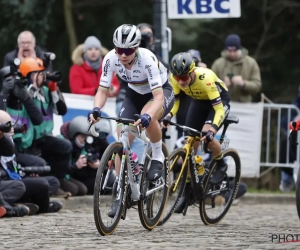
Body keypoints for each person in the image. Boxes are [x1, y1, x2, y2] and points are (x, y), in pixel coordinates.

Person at [89, 24, 175, 217]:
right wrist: (96, 109)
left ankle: (158, 154)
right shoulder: (110, 59)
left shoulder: (147, 60)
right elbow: (102, 91)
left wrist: (147, 115)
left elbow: (159, 98)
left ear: (136, 48)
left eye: (127, 50)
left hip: (160, 92)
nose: (123, 55)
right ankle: (120, 191)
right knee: (122, 138)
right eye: (119, 49)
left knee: (149, 116)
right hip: (135, 92)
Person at [163, 52, 230, 212]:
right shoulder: (175, 79)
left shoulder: (205, 78)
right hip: (198, 102)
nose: (181, 82)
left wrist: (213, 129)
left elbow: (219, 108)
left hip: (218, 102)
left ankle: (221, 164)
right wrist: (168, 116)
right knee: (189, 146)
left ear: (193, 72)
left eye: (184, 78)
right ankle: (187, 193)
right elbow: (176, 104)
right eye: (177, 78)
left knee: (206, 136)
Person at [60, 116, 113, 195]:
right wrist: (75, 166)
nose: (85, 140)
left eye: (87, 137)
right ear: (73, 134)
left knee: (109, 180)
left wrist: (99, 166)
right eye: (82, 137)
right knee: (78, 189)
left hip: (76, 176)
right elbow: (60, 169)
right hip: (62, 176)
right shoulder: (63, 144)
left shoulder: (85, 146)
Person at [211, 34, 261, 103]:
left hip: (244, 105)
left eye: (234, 51)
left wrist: (244, 84)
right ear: (226, 50)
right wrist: (221, 86)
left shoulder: (251, 63)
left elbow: (257, 86)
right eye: (229, 51)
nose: (232, 54)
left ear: (239, 49)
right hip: (222, 103)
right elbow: (209, 86)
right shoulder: (218, 64)